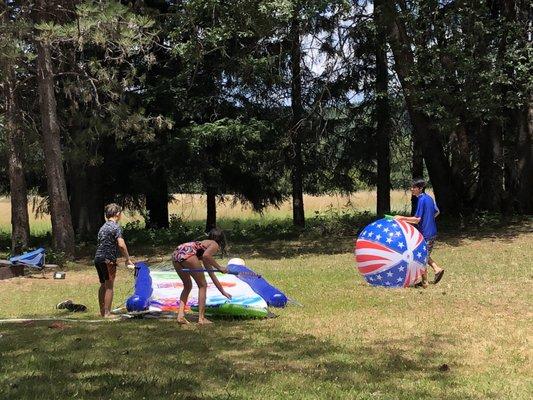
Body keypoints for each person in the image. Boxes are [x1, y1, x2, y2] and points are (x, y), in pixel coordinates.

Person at [171, 228, 232, 324]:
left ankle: (180, 316)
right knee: (202, 285)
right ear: (221, 240)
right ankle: (201, 318)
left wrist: (222, 291)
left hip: (176, 254)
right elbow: (206, 256)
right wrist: (219, 267)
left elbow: (211, 273)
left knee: (187, 286)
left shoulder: (203, 245)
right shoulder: (214, 244)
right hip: (188, 253)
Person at [394, 179, 445, 288]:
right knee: (423, 254)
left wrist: (400, 218)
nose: (412, 189)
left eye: (414, 187)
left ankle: (425, 281)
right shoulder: (429, 198)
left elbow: (417, 219)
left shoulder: (421, 200)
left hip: (427, 234)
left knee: (421, 256)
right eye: (411, 187)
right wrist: (429, 220)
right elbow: (437, 212)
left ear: (420, 188)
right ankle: (436, 269)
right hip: (430, 232)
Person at [94, 203, 134, 318]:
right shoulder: (116, 227)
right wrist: (127, 259)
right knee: (109, 286)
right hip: (108, 260)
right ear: (117, 214)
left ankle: (102, 312)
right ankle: (107, 313)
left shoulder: (103, 227)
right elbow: (121, 245)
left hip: (98, 258)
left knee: (103, 285)